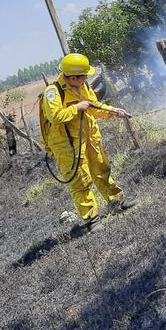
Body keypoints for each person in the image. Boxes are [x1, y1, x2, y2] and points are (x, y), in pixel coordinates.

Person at [42, 53, 136, 233]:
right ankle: (92, 220)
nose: (87, 78)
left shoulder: (82, 85)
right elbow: (55, 117)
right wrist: (77, 107)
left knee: (102, 170)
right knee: (81, 182)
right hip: (68, 146)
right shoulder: (53, 92)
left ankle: (117, 202)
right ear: (73, 78)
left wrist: (113, 111)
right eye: (84, 76)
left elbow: (93, 106)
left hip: (90, 138)